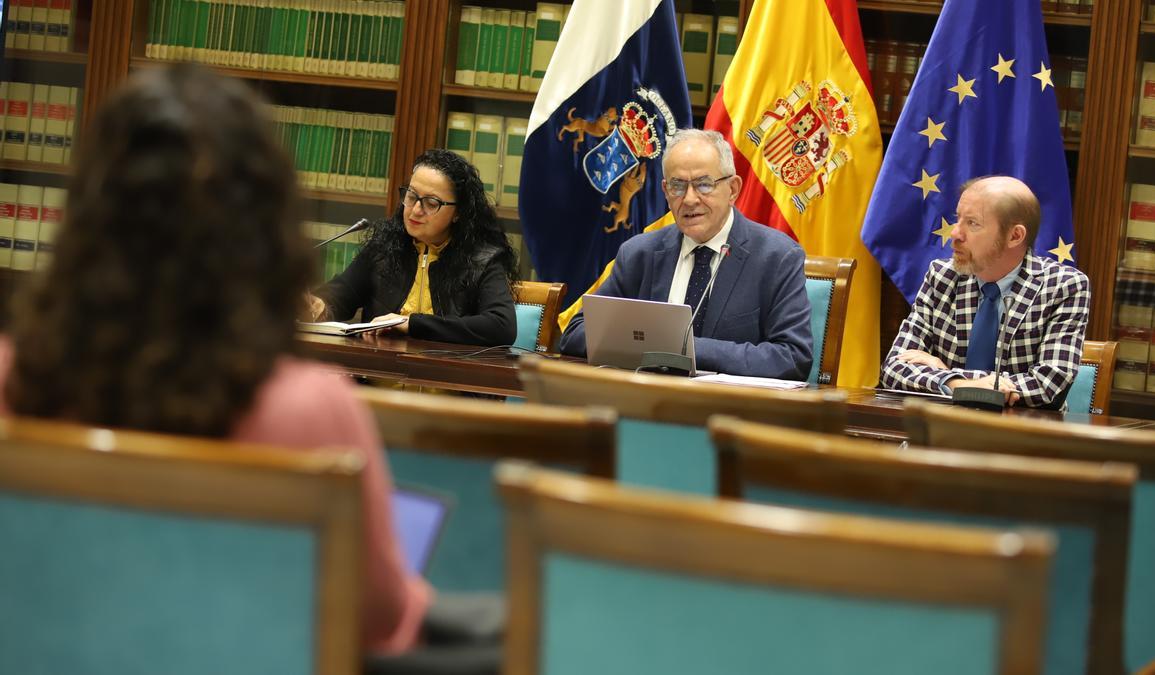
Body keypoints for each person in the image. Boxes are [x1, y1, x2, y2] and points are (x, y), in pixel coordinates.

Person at [0, 64, 429, 654]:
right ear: (266, 228)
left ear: (89, 212)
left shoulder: (12, 380)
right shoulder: (312, 412)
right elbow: (379, 619)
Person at [558, 129, 814, 380]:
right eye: (678, 186)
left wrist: (685, 349)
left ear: (733, 190)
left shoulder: (777, 257)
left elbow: (792, 357)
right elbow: (576, 333)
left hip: (730, 413)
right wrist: (647, 345)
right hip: (647, 406)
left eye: (704, 185)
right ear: (666, 191)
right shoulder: (639, 254)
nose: (690, 199)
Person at [880, 175, 1091, 408]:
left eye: (972, 223)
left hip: (1020, 438)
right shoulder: (942, 276)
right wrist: (958, 384)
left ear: (1014, 236)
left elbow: (1048, 384)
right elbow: (894, 367)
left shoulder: (1063, 287)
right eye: (958, 219)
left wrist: (949, 375)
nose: (955, 234)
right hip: (939, 433)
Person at [308, 148, 519, 347]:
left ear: (458, 212)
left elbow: (501, 327)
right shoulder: (383, 247)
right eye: (411, 196)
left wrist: (412, 323)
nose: (416, 210)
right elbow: (342, 294)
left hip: (442, 380)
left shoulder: (483, 260)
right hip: (376, 379)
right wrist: (318, 304)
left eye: (431, 203)